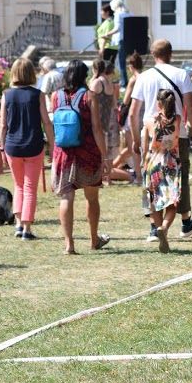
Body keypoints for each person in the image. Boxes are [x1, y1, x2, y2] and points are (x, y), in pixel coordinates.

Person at [128, 39, 192, 242]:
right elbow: (190, 106)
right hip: (177, 134)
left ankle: (154, 226)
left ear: (153, 54)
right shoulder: (181, 74)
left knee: (150, 180)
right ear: (171, 53)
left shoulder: (143, 77)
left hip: (151, 134)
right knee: (179, 178)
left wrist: (135, 139)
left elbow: (133, 113)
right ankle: (185, 221)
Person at [50, 60, 110, 254]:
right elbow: (97, 128)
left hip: (64, 153)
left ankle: (69, 244)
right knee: (91, 198)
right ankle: (94, 240)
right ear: (84, 76)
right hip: (88, 152)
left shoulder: (55, 97)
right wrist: (105, 155)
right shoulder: (89, 97)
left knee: (66, 198)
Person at [0, 58, 54, 239]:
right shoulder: (38, 95)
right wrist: (52, 145)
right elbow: (46, 122)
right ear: (31, 73)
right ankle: (27, 228)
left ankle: (18, 224)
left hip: (12, 146)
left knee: (18, 185)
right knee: (30, 187)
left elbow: (3, 125)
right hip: (33, 145)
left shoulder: (6, 95)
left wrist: (2, 147)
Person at [142, 89, 182, 254]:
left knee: (154, 202)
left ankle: (159, 227)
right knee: (172, 202)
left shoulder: (150, 121)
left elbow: (144, 147)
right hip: (171, 163)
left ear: (158, 103)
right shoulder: (178, 119)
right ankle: (164, 229)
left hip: (153, 164)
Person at [89, 59, 127, 183]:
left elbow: (89, 101)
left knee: (100, 150)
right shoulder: (109, 83)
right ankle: (108, 178)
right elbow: (115, 105)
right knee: (109, 152)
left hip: (99, 121)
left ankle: (100, 177)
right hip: (110, 120)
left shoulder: (96, 82)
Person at [113, 52, 145, 184]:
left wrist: (119, 116)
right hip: (144, 113)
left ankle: (138, 176)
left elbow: (126, 101)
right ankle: (114, 166)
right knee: (137, 146)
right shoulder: (146, 77)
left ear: (131, 66)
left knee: (133, 147)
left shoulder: (133, 80)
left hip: (132, 115)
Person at [104, 0, 131, 87]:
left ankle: (124, 83)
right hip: (129, 39)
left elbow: (117, 28)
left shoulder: (118, 14)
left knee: (121, 62)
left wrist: (108, 34)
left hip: (121, 40)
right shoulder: (129, 13)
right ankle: (125, 80)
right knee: (126, 62)